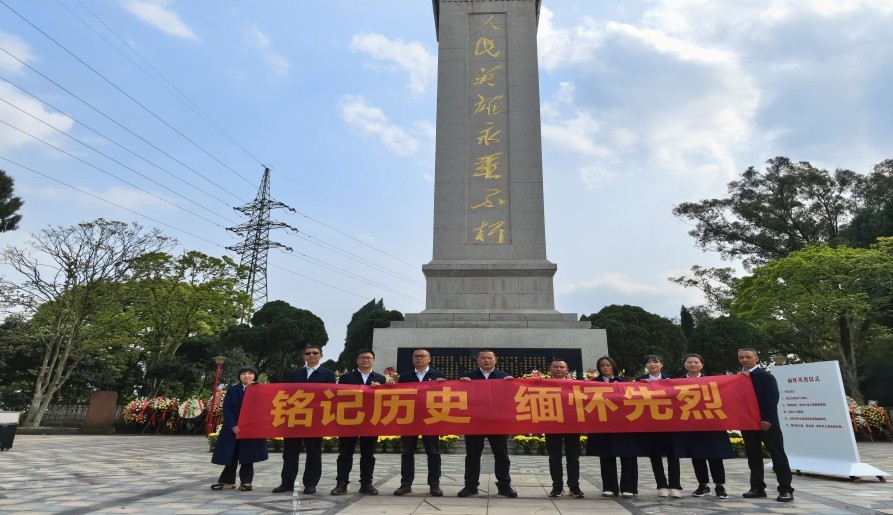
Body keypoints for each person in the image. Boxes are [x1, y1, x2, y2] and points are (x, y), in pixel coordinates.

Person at [272, 345, 337, 494]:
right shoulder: (295, 374)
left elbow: (331, 395)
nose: (311, 355)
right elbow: (285, 394)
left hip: (315, 419)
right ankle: (287, 483)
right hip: (294, 418)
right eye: (308, 353)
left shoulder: (328, 374)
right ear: (304, 356)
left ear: (321, 355)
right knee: (289, 453)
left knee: (313, 453)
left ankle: (310, 484)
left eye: (315, 353)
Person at [457, 349, 517, 498]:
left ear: (495, 360)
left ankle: (504, 486)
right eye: (483, 358)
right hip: (475, 422)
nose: (487, 360)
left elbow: (512, 399)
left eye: (490, 358)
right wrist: (462, 384)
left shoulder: (504, 377)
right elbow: (460, 398)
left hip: (497, 423)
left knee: (501, 455)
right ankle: (470, 486)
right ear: (477, 360)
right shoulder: (468, 377)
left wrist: (512, 385)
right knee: (472, 455)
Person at [738, 347, 794, 502]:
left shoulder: (766, 376)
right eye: (741, 357)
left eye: (748, 356)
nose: (744, 360)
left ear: (756, 358)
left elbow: (772, 399)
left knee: (777, 455)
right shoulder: (738, 378)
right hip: (748, 423)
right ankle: (757, 488)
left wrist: (767, 419)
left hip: (767, 423)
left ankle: (786, 489)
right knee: (753, 456)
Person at [675, 353, 734, 499]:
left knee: (715, 456)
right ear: (684, 365)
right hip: (690, 425)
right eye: (689, 362)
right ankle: (703, 485)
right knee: (697, 456)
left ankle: (719, 485)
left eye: (696, 362)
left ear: (702, 365)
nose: (693, 364)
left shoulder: (712, 381)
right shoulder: (676, 382)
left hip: (712, 424)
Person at [331, 349, 386, 496]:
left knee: (368, 454)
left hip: (371, 421)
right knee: (345, 453)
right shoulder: (346, 378)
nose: (365, 360)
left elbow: (387, 400)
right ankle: (341, 483)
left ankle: (366, 484)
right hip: (349, 421)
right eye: (362, 357)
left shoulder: (381, 379)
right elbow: (338, 397)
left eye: (368, 357)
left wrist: (380, 389)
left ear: (373, 360)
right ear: (357, 360)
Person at [393, 348, 447, 497]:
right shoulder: (405, 377)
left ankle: (434, 484)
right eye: (416, 356)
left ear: (429, 359)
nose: (419, 358)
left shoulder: (439, 375)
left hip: (431, 419)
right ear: (412, 359)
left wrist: (442, 385)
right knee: (407, 453)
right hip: (409, 420)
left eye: (423, 356)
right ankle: (406, 484)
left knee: (433, 452)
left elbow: (444, 396)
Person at [586, 355, 638, 498]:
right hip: (602, 425)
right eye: (602, 366)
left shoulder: (624, 382)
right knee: (606, 455)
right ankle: (609, 487)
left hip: (624, 425)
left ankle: (629, 487)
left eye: (608, 365)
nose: (605, 368)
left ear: (613, 366)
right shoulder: (592, 384)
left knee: (628, 455)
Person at [210, 365, 268, 491]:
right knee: (231, 454)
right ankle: (227, 481)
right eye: (243, 374)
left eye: (250, 373)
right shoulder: (233, 389)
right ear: (239, 377)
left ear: (255, 376)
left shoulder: (261, 390)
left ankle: (246, 482)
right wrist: (232, 424)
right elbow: (227, 408)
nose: (246, 376)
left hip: (251, 428)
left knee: (248, 455)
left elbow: (264, 407)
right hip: (232, 428)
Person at [637, 354, 682, 498]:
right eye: (649, 362)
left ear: (661, 364)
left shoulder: (672, 380)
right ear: (645, 366)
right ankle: (661, 485)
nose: (652, 364)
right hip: (651, 425)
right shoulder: (639, 381)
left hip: (670, 424)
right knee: (655, 456)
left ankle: (674, 486)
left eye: (655, 362)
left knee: (673, 456)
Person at [543, 358, 584, 498]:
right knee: (554, 458)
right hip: (552, 425)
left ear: (567, 370)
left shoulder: (577, 385)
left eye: (562, 367)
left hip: (572, 425)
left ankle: (574, 487)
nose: (559, 369)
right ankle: (557, 487)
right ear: (550, 369)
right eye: (555, 367)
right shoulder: (542, 385)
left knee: (573, 458)